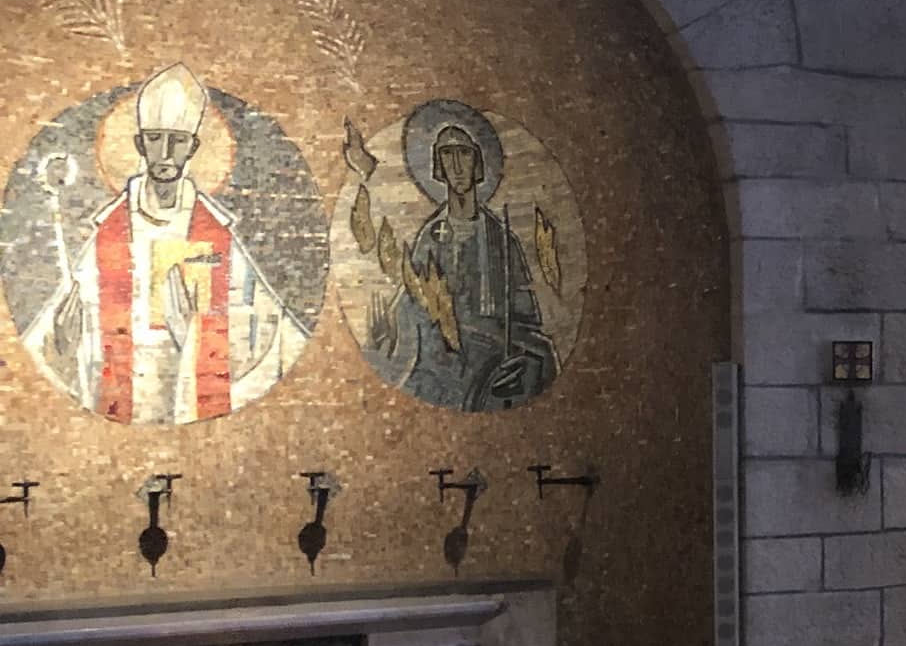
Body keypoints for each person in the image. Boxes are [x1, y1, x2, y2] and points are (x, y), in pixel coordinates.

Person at [28, 63, 309, 424]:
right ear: (139, 145)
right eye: (155, 139)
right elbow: (57, 343)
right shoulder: (112, 231)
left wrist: (190, 331)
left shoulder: (215, 235)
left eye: (176, 142)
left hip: (188, 396)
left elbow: (271, 340)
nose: (164, 153)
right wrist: (61, 339)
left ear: (192, 148)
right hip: (122, 401)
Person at [346, 103, 558, 411]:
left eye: (464, 153)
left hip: (492, 360)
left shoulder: (501, 239)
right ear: (438, 168)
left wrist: (518, 363)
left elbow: (527, 325)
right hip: (440, 361)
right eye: (447, 155)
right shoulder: (430, 238)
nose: (457, 165)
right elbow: (410, 306)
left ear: (477, 163)